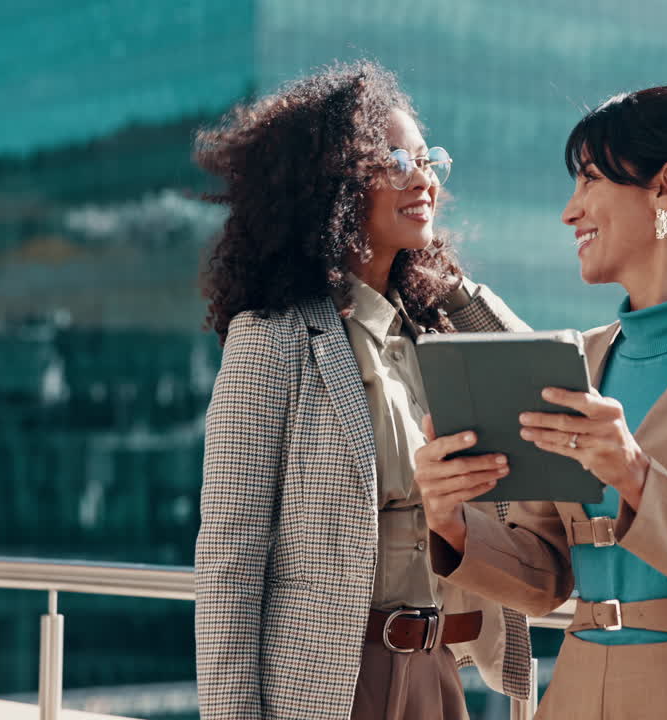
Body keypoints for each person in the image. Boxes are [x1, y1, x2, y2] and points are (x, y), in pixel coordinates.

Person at [414, 62, 667, 719]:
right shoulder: (579, 358)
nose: (569, 210)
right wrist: (449, 520)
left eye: (590, 180)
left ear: (665, 187)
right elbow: (545, 577)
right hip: (574, 699)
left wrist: (635, 475)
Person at [194, 61, 531, 720]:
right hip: (332, 686)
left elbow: (536, 384)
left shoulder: (433, 330)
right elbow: (230, 562)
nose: (422, 176)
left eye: (428, 158)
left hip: (438, 675)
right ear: (332, 184)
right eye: (394, 159)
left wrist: (449, 279)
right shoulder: (272, 339)